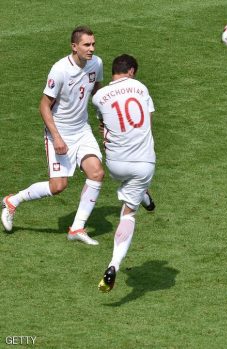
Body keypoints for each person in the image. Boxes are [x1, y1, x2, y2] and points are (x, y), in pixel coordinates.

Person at [1, 26, 105, 245]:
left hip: (82, 129)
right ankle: (12, 201)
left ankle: (77, 228)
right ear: (74, 46)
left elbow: (97, 91)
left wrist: (105, 119)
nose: (91, 49)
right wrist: (56, 137)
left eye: (93, 44)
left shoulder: (97, 63)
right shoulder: (60, 70)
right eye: (87, 45)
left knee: (96, 173)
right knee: (58, 186)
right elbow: (44, 105)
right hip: (60, 133)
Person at [93, 54, 156, 292]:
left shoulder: (99, 97)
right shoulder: (140, 87)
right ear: (130, 71)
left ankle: (144, 195)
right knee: (128, 215)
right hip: (143, 162)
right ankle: (114, 265)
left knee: (133, 184)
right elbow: (148, 121)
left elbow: (103, 127)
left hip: (115, 164)